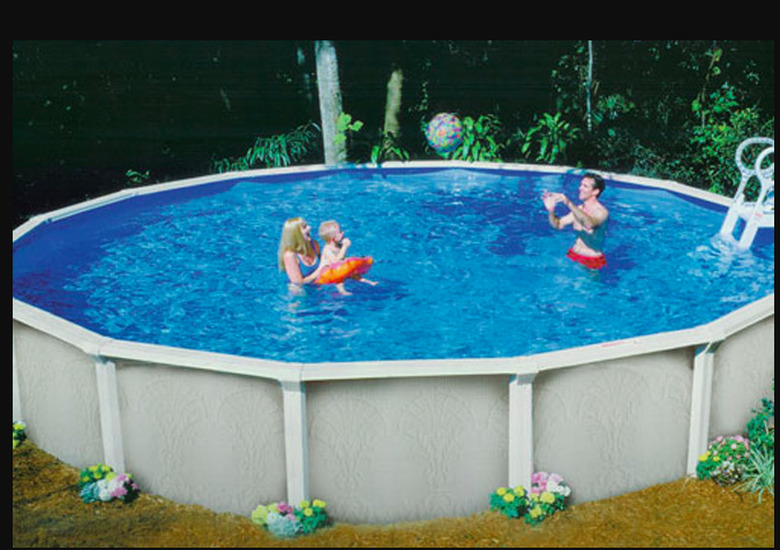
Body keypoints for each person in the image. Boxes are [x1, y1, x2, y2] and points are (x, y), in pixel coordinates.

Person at [542, 173, 609, 269]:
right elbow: (557, 225)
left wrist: (568, 202)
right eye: (581, 185)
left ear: (595, 192)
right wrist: (551, 210)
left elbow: (589, 224)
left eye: (585, 186)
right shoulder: (578, 210)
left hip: (591, 261)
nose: (580, 188)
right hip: (573, 254)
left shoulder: (602, 213)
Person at [318, 220, 377, 295]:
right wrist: (345, 247)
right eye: (340, 232)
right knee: (339, 277)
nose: (343, 233)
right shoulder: (327, 249)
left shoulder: (338, 246)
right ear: (333, 238)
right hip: (328, 272)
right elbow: (335, 262)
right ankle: (342, 291)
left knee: (353, 273)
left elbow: (342, 260)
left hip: (338, 269)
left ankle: (369, 282)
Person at [277, 217, 322, 285]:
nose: (309, 227)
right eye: (304, 227)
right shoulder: (290, 255)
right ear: (296, 234)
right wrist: (320, 270)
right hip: (301, 291)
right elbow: (298, 283)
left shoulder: (314, 245)